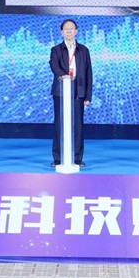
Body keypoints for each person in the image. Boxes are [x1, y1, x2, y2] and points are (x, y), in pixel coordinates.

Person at [49, 19, 93, 167]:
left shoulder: (84, 50)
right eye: (66, 29)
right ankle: (58, 158)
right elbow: (54, 66)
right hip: (60, 92)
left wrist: (88, 95)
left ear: (76, 31)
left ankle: (77, 158)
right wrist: (64, 76)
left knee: (78, 127)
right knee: (59, 125)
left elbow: (88, 73)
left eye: (71, 29)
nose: (69, 31)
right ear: (62, 32)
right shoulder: (56, 49)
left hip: (78, 92)